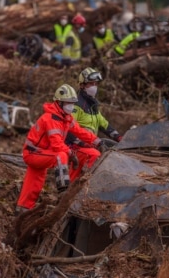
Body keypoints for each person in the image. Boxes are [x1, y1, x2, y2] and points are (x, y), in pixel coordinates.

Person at [16, 84, 104, 212]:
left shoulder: (66, 118)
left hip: (43, 153)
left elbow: (80, 131)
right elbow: (57, 145)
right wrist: (71, 154)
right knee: (60, 156)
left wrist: (98, 142)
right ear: (59, 103)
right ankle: (63, 192)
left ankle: (22, 210)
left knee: (33, 184)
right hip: (34, 153)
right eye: (68, 103)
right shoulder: (51, 118)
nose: (71, 106)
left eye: (73, 103)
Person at [65, 67, 122, 181]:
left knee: (76, 176)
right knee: (94, 157)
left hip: (90, 144)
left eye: (96, 83)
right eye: (91, 84)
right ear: (82, 85)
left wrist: (118, 137)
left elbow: (104, 124)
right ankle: (80, 188)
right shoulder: (77, 105)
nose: (94, 87)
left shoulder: (92, 106)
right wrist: (81, 143)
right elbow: (68, 128)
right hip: (77, 146)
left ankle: (72, 191)